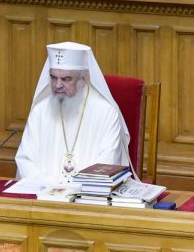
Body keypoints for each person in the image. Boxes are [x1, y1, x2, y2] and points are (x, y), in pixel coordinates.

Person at [15, 41, 130, 184]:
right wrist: (51, 187)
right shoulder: (40, 110)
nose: (57, 85)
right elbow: (25, 160)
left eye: (66, 79)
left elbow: (108, 164)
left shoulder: (105, 112)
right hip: (43, 196)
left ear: (84, 79)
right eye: (53, 77)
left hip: (88, 197)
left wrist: (73, 190)